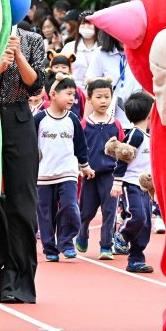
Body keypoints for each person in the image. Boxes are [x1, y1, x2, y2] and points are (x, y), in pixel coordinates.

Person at [0, 29, 47, 303]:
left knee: (23, 204)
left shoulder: (32, 40)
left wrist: (18, 55)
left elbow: (36, 86)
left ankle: (17, 281)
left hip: (20, 120)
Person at [35, 75, 94, 262]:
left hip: (68, 173)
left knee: (70, 206)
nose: (72, 99)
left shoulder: (73, 119)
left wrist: (84, 167)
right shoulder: (38, 120)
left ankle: (67, 242)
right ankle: (49, 248)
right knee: (46, 214)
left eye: (74, 95)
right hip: (43, 175)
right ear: (53, 94)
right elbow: (29, 147)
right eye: (68, 94)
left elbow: (80, 146)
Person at [75, 78, 123, 260]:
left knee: (110, 211)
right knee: (86, 211)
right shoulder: (84, 124)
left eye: (107, 97)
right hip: (89, 174)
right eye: (99, 97)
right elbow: (78, 148)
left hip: (109, 174)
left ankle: (106, 246)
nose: (103, 101)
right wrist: (81, 167)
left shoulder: (115, 124)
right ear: (89, 99)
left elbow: (121, 148)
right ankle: (83, 231)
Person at [111, 92, 156, 274]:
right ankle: (122, 235)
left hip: (145, 186)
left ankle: (137, 258)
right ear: (148, 113)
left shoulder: (149, 135)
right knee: (137, 216)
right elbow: (123, 157)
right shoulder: (135, 135)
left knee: (145, 223)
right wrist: (117, 182)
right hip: (131, 183)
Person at [86, 28, 143, 126]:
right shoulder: (100, 53)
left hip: (137, 118)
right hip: (107, 118)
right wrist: (85, 124)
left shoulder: (141, 53)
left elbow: (147, 88)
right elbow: (91, 87)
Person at [61, 9, 99, 86]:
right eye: (83, 23)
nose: (86, 27)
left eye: (90, 24)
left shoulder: (104, 49)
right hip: (74, 92)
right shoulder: (69, 47)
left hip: (98, 93)